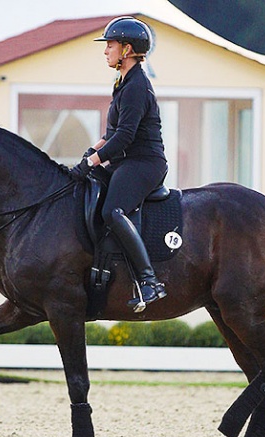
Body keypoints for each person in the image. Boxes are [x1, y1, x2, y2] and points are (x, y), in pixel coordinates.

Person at [70, 16, 168, 312]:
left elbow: (125, 137)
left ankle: (150, 281)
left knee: (113, 211)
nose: (105, 50)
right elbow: (112, 134)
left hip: (144, 163)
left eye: (110, 45)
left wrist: (92, 161)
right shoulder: (123, 83)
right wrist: (89, 155)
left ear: (126, 49)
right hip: (126, 160)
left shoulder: (138, 85)